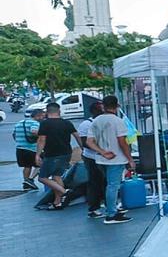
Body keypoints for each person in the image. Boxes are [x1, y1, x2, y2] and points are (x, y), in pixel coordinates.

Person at [87, 95, 136, 224]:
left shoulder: (96, 121)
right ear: (117, 106)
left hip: (100, 159)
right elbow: (122, 142)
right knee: (113, 186)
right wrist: (130, 158)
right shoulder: (118, 121)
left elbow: (89, 142)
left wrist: (102, 152)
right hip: (116, 158)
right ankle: (111, 214)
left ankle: (111, 208)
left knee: (108, 185)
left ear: (103, 105)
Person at [35, 102, 81, 209]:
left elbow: (42, 140)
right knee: (57, 176)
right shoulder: (67, 123)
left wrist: (37, 155)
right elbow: (77, 136)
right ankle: (58, 202)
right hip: (66, 153)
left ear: (47, 112)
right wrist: (83, 148)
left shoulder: (45, 124)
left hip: (52, 154)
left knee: (42, 178)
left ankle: (64, 192)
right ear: (59, 110)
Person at [77, 101, 106, 218]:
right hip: (92, 157)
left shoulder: (105, 121)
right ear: (95, 111)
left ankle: (106, 203)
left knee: (105, 181)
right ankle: (93, 208)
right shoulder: (86, 124)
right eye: (101, 108)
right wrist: (101, 149)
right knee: (95, 182)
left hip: (104, 156)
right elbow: (85, 143)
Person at [13, 110, 43, 191]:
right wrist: (42, 135)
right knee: (42, 164)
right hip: (31, 149)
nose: (43, 118)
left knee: (27, 166)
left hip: (20, 148)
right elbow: (33, 131)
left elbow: (14, 134)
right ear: (38, 116)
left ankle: (26, 182)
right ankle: (30, 179)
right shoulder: (35, 123)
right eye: (42, 116)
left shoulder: (19, 123)